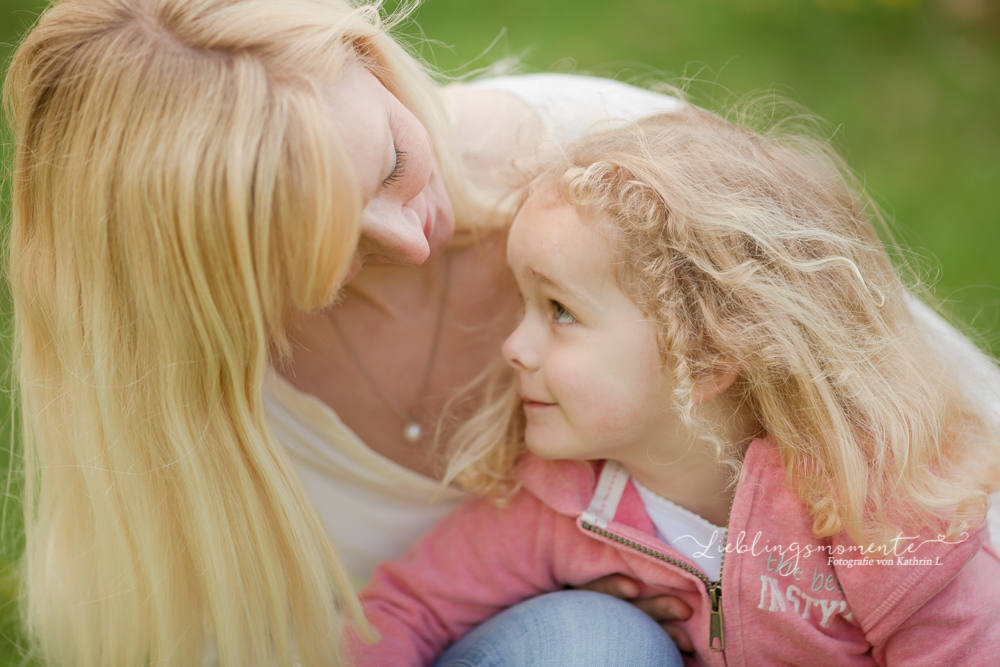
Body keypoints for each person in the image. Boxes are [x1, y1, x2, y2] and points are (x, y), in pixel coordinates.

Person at [7, 0, 1000, 665]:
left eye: (390, 161)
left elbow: (929, 436)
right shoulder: (558, 510)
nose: (410, 235)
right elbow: (405, 611)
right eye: (314, 247)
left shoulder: (622, 184)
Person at [354, 109, 1000, 666]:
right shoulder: (563, 506)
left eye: (559, 311)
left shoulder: (878, 509)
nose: (514, 346)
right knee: (593, 640)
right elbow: (403, 608)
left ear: (707, 352)